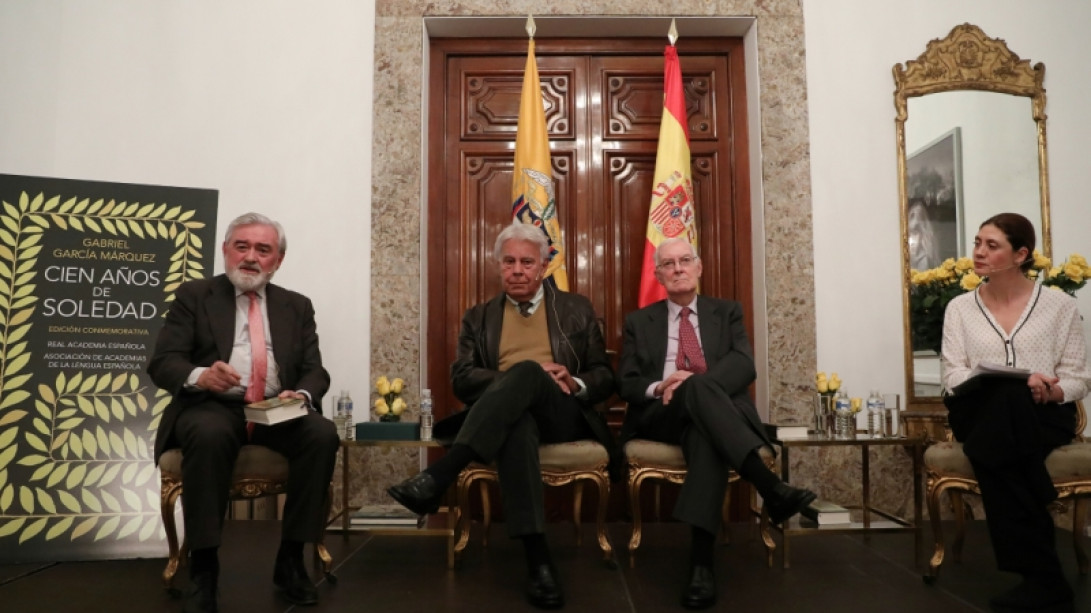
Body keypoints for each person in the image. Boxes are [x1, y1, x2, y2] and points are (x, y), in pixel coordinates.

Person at [387, 222, 617, 610]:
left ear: (543, 266)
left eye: (527, 262)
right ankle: (538, 559)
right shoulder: (478, 317)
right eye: (508, 261)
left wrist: (573, 379)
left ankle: (441, 475)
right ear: (497, 266)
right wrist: (514, 379)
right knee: (518, 417)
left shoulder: (576, 309)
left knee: (530, 372)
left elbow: (604, 376)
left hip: (561, 412)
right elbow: (461, 379)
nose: (517, 270)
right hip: (506, 417)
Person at [148, 212, 339, 613]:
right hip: (213, 406)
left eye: (262, 249)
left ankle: (290, 561)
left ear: (278, 260)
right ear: (225, 251)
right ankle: (204, 568)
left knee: (321, 434)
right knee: (210, 433)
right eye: (242, 246)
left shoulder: (296, 305)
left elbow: (314, 369)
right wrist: (201, 376)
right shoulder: (193, 296)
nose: (251, 257)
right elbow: (164, 362)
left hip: (275, 409)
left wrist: (300, 393)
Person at [618, 238, 816, 610]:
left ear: (699, 267)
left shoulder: (726, 313)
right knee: (693, 395)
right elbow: (625, 382)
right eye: (668, 264)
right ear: (659, 274)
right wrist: (662, 384)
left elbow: (744, 365)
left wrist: (695, 385)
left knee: (704, 434)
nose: (677, 268)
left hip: (708, 416)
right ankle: (769, 487)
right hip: (661, 413)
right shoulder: (639, 321)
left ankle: (701, 565)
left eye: (684, 260)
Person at [941, 212, 1090, 610]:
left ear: (1021, 254)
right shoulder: (959, 307)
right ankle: (1045, 576)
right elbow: (952, 374)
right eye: (977, 243)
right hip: (975, 409)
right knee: (1004, 397)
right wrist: (986, 379)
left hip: (1041, 412)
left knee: (1010, 411)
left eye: (992, 246)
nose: (979, 253)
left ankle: (1043, 579)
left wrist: (1050, 389)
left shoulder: (1058, 304)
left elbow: (1079, 378)